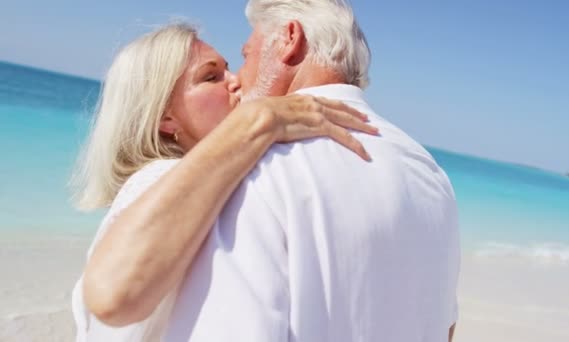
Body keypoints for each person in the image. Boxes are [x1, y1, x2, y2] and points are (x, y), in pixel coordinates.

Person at [163, 1, 461, 341]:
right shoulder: (430, 172)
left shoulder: (258, 163)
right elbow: (443, 328)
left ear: (290, 38)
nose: (239, 80)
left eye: (246, 57)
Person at [70, 23, 379, 341]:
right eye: (211, 77)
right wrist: (257, 120)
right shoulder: (160, 177)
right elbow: (111, 292)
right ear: (165, 118)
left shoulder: (204, 181)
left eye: (228, 69)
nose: (236, 81)